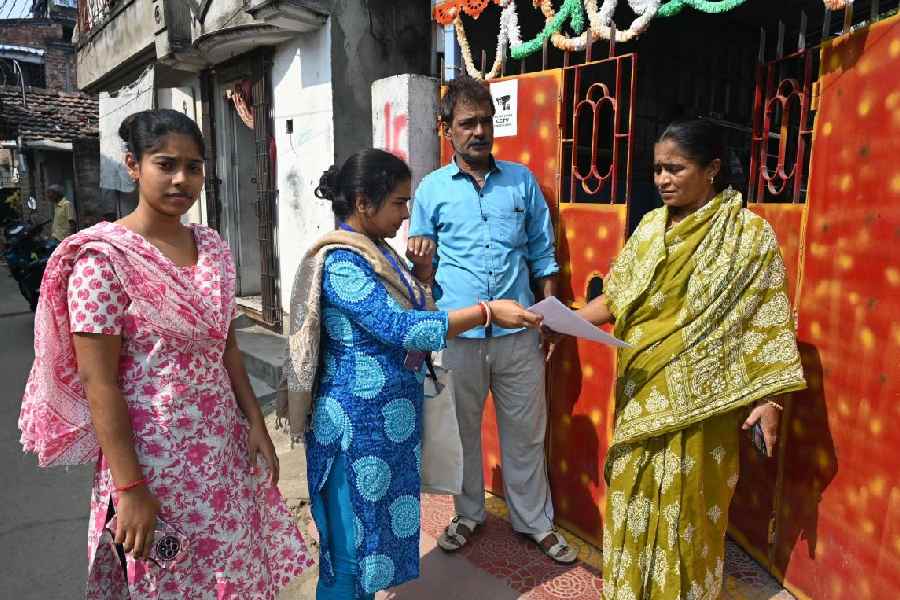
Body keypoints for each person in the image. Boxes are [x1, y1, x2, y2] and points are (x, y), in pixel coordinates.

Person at [18, 109, 313, 598]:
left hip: (220, 449)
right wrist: (130, 490)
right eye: (166, 164)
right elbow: (100, 383)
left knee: (232, 571)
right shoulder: (103, 261)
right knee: (168, 579)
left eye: (193, 167)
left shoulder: (212, 247)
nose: (182, 179)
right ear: (133, 165)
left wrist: (254, 424)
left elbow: (226, 343)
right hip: (153, 462)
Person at [280, 148, 543, 599]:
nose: (406, 214)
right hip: (355, 432)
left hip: (388, 432)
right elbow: (400, 328)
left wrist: (423, 273)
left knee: (373, 545)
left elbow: (420, 305)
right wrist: (485, 312)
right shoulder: (344, 262)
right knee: (348, 555)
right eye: (399, 202)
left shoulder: (382, 254)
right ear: (364, 202)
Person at [574, 119, 807, 599]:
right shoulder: (648, 228)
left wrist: (771, 400)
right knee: (634, 493)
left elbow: (768, 320)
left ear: (712, 169)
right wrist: (561, 319)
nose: (662, 179)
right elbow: (617, 298)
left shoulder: (748, 237)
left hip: (706, 406)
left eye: (675, 168)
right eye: (658, 169)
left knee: (691, 510)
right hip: (643, 394)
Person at [407, 75, 576, 563]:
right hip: (458, 332)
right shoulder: (431, 190)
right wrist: (420, 256)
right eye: (468, 123)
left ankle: (535, 521)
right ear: (446, 129)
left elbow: (544, 258)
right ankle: (468, 513)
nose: (480, 131)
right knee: (459, 431)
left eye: (486, 121)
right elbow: (422, 266)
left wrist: (550, 318)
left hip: (518, 332)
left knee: (526, 431)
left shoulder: (521, 182)